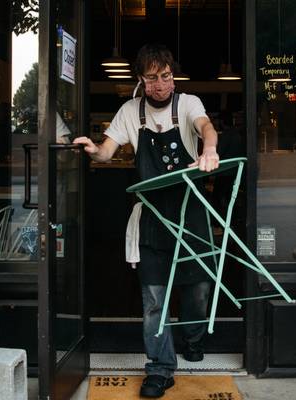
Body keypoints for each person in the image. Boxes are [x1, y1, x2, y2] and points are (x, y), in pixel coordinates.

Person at [73, 44, 220, 398]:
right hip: (152, 219)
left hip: (191, 214)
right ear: (140, 80)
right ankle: (160, 368)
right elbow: (109, 148)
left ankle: (194, 337)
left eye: (166, 76)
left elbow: (207, 128)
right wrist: (96, 151)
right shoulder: (130, 111)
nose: (160, 85)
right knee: (155, 299)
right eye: (152, 78)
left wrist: (209, 149)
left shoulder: (187, 104)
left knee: (197, 288)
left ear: (173, 74)